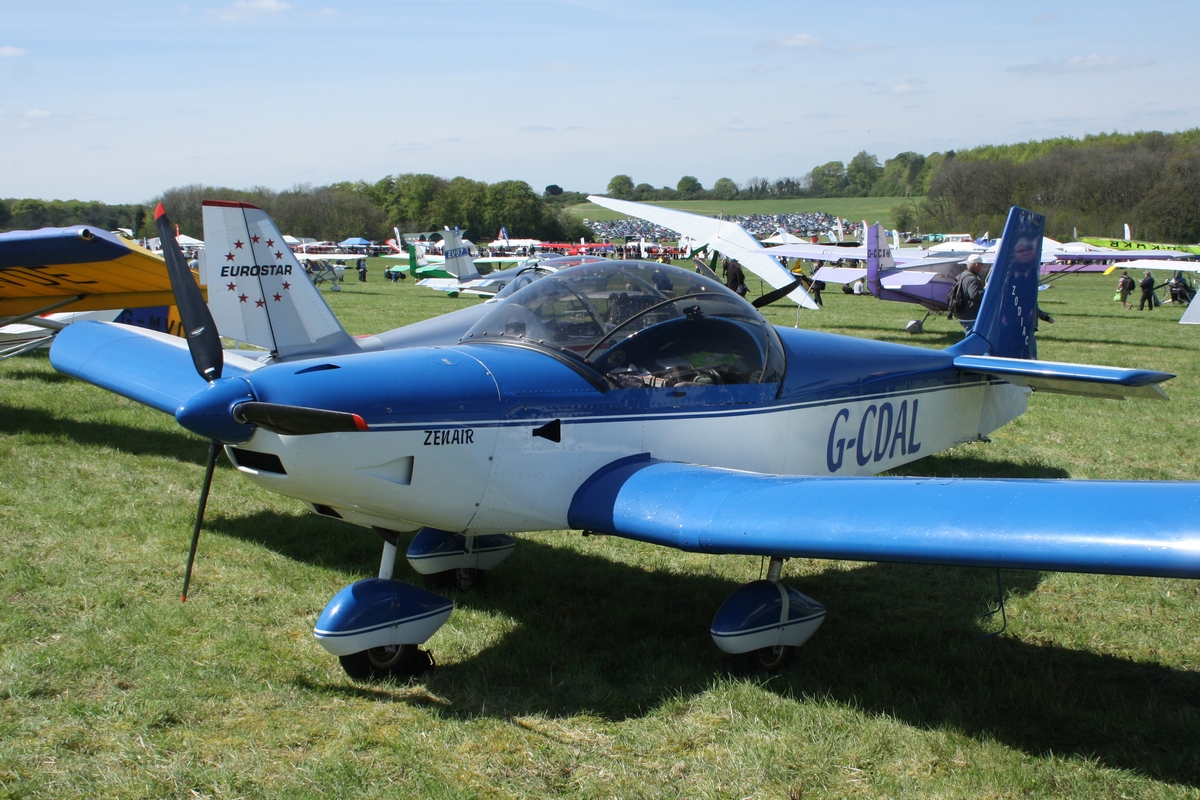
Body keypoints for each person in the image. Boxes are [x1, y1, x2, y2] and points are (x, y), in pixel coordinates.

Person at [952, 254, 986, 333]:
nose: (982, 266)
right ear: (976, 264)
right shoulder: (971, 279)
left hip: (963, 313)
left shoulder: (963, 274)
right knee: (973, 338)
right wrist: (985, 289)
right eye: (981, 264)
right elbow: (974, 295)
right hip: (970, 315)